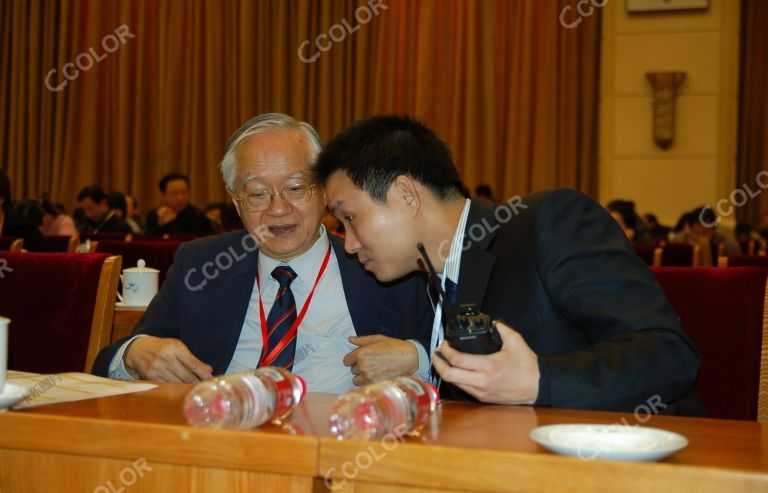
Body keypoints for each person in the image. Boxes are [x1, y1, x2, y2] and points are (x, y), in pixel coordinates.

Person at [315, 115, 702, 415]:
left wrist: (538, 381)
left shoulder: (547, 223)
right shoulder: (419, 281)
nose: (348, 244)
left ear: (405, 194)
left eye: (349, 217)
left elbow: (667, 355)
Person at [92, 113, 431, 394]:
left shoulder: (386, 264)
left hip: (343, 448)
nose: (278, 209)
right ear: (234, 199)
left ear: (324, 188)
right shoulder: (200, 264)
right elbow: (109, 362)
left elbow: (463, 368)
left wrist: (417, 358)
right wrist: (135, 353)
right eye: (256, 194)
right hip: (223, 445)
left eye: (295, 188)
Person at [144, 173, 214, 237]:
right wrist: (161, 225)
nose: (180, 197)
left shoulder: (197, 216)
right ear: (163, 195)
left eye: (184, 192)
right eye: (174, 193)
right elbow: (148, 241)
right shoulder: (155, 215)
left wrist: (170, 223)